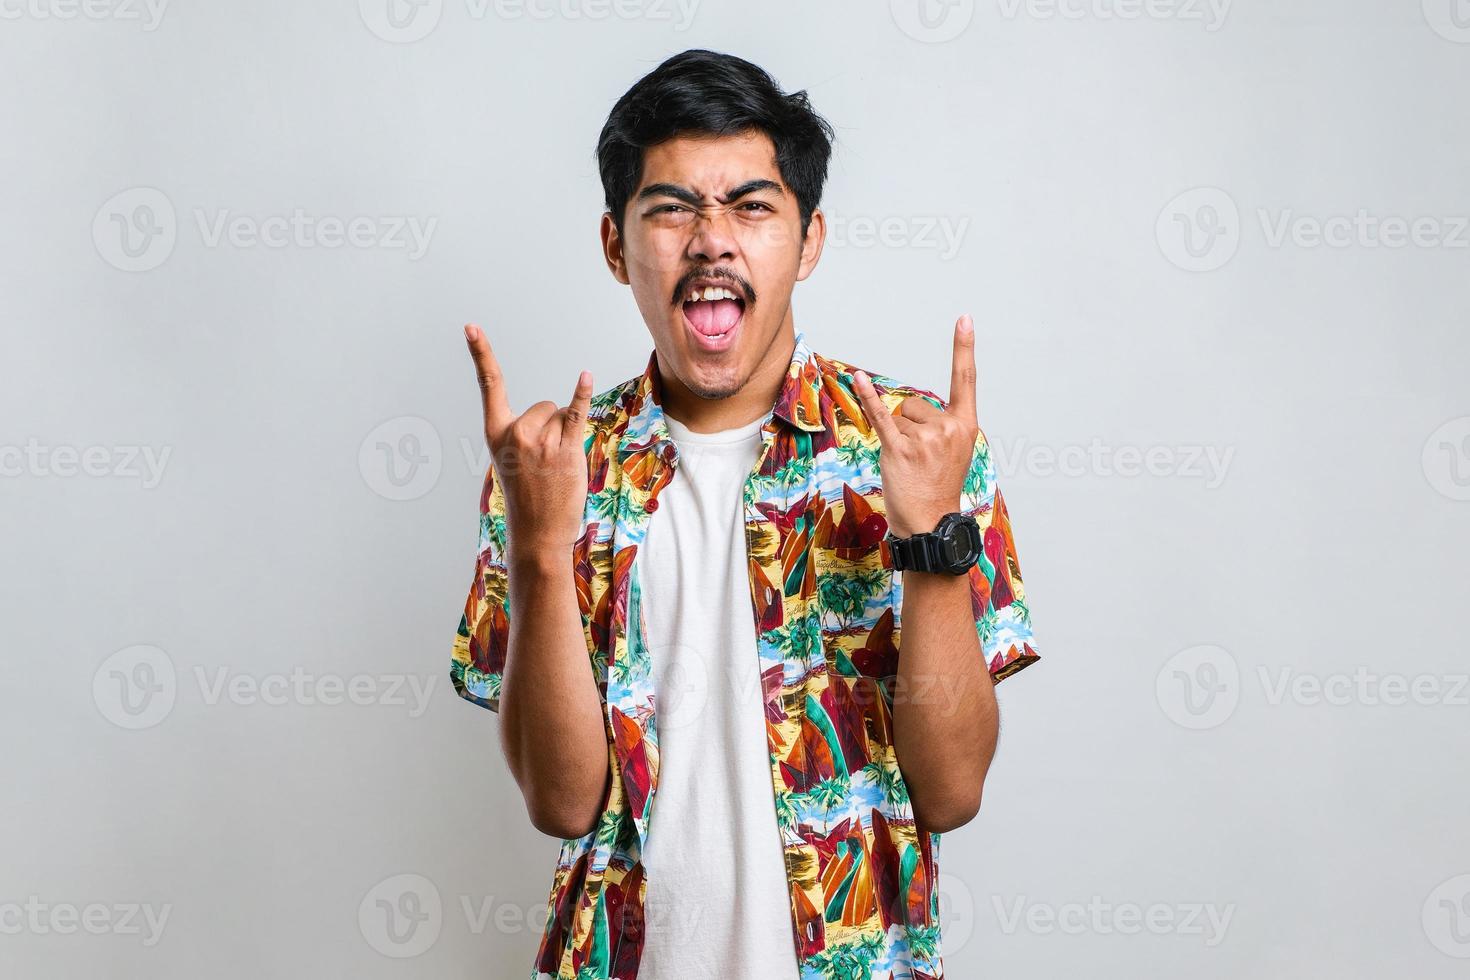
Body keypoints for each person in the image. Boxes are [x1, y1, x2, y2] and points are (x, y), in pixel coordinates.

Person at [450, 48, 1040, 980]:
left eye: (752, 206)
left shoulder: (920, 449)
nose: (712, 240)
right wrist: (537, 547)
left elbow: (953, 790)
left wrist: (930, 541)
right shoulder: (554, 468)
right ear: (617, 246)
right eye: (672, 208)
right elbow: (563, 806)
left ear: (807, 241)